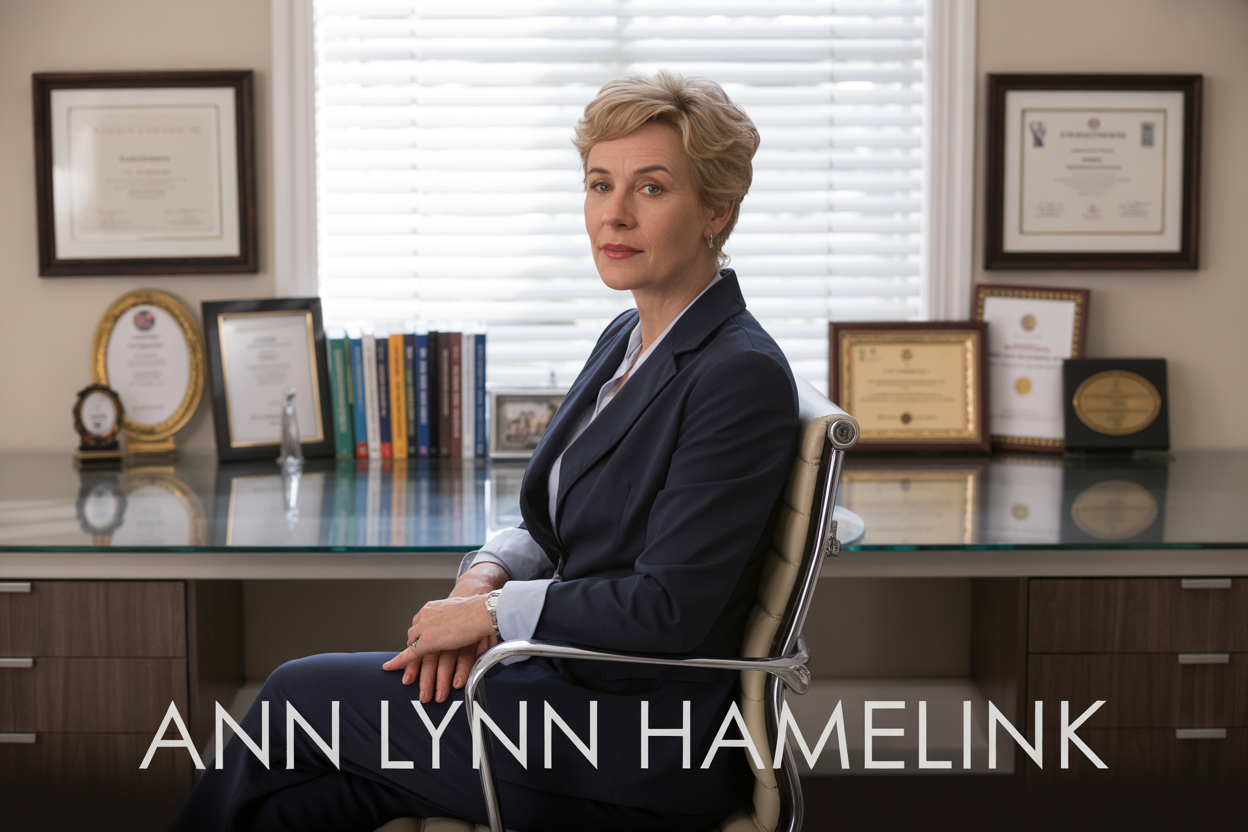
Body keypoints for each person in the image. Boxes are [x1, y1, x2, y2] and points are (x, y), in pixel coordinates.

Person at [171, 71, 799, 832]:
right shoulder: (629, 336)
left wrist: (495, 617)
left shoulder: (738, 372)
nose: (615, 213)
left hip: (629, 740)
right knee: (301, 802)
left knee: (295, 695)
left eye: (652, 188)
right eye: (600, 184)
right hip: (560, 690)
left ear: (717, 212)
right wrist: (485, 575)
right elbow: (555, 520)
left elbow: (666, 609)